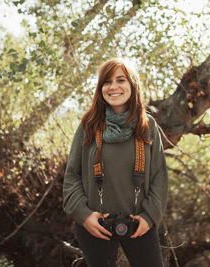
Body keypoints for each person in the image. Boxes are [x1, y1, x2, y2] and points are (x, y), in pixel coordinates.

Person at [63, 58, 168, 267]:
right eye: (107, 81)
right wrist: (84, 216)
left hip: (139, 225)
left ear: (132, 85)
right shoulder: (89, 125)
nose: (113, 87)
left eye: (121, 80)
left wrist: (149, 217)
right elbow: (72, 177)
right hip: (95, 226)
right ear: (100, 87)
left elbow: (159, 177)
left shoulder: (148, 125)